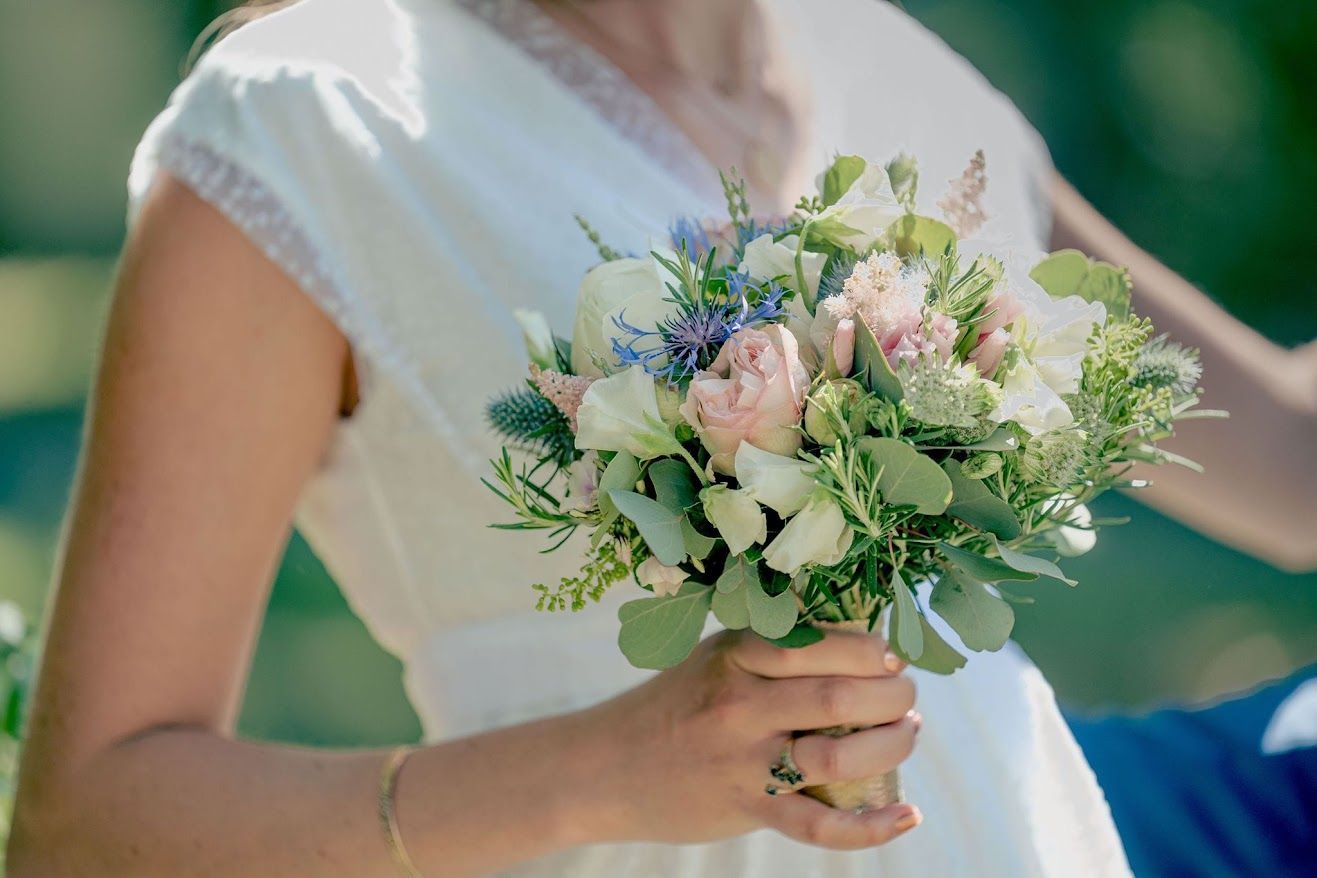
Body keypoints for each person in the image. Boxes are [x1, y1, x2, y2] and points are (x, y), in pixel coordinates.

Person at [8, 0, 1309, 874]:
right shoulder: (311, 121)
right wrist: (605, 768)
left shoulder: (883, 66)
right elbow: (86, 822)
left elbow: (1292, 462)